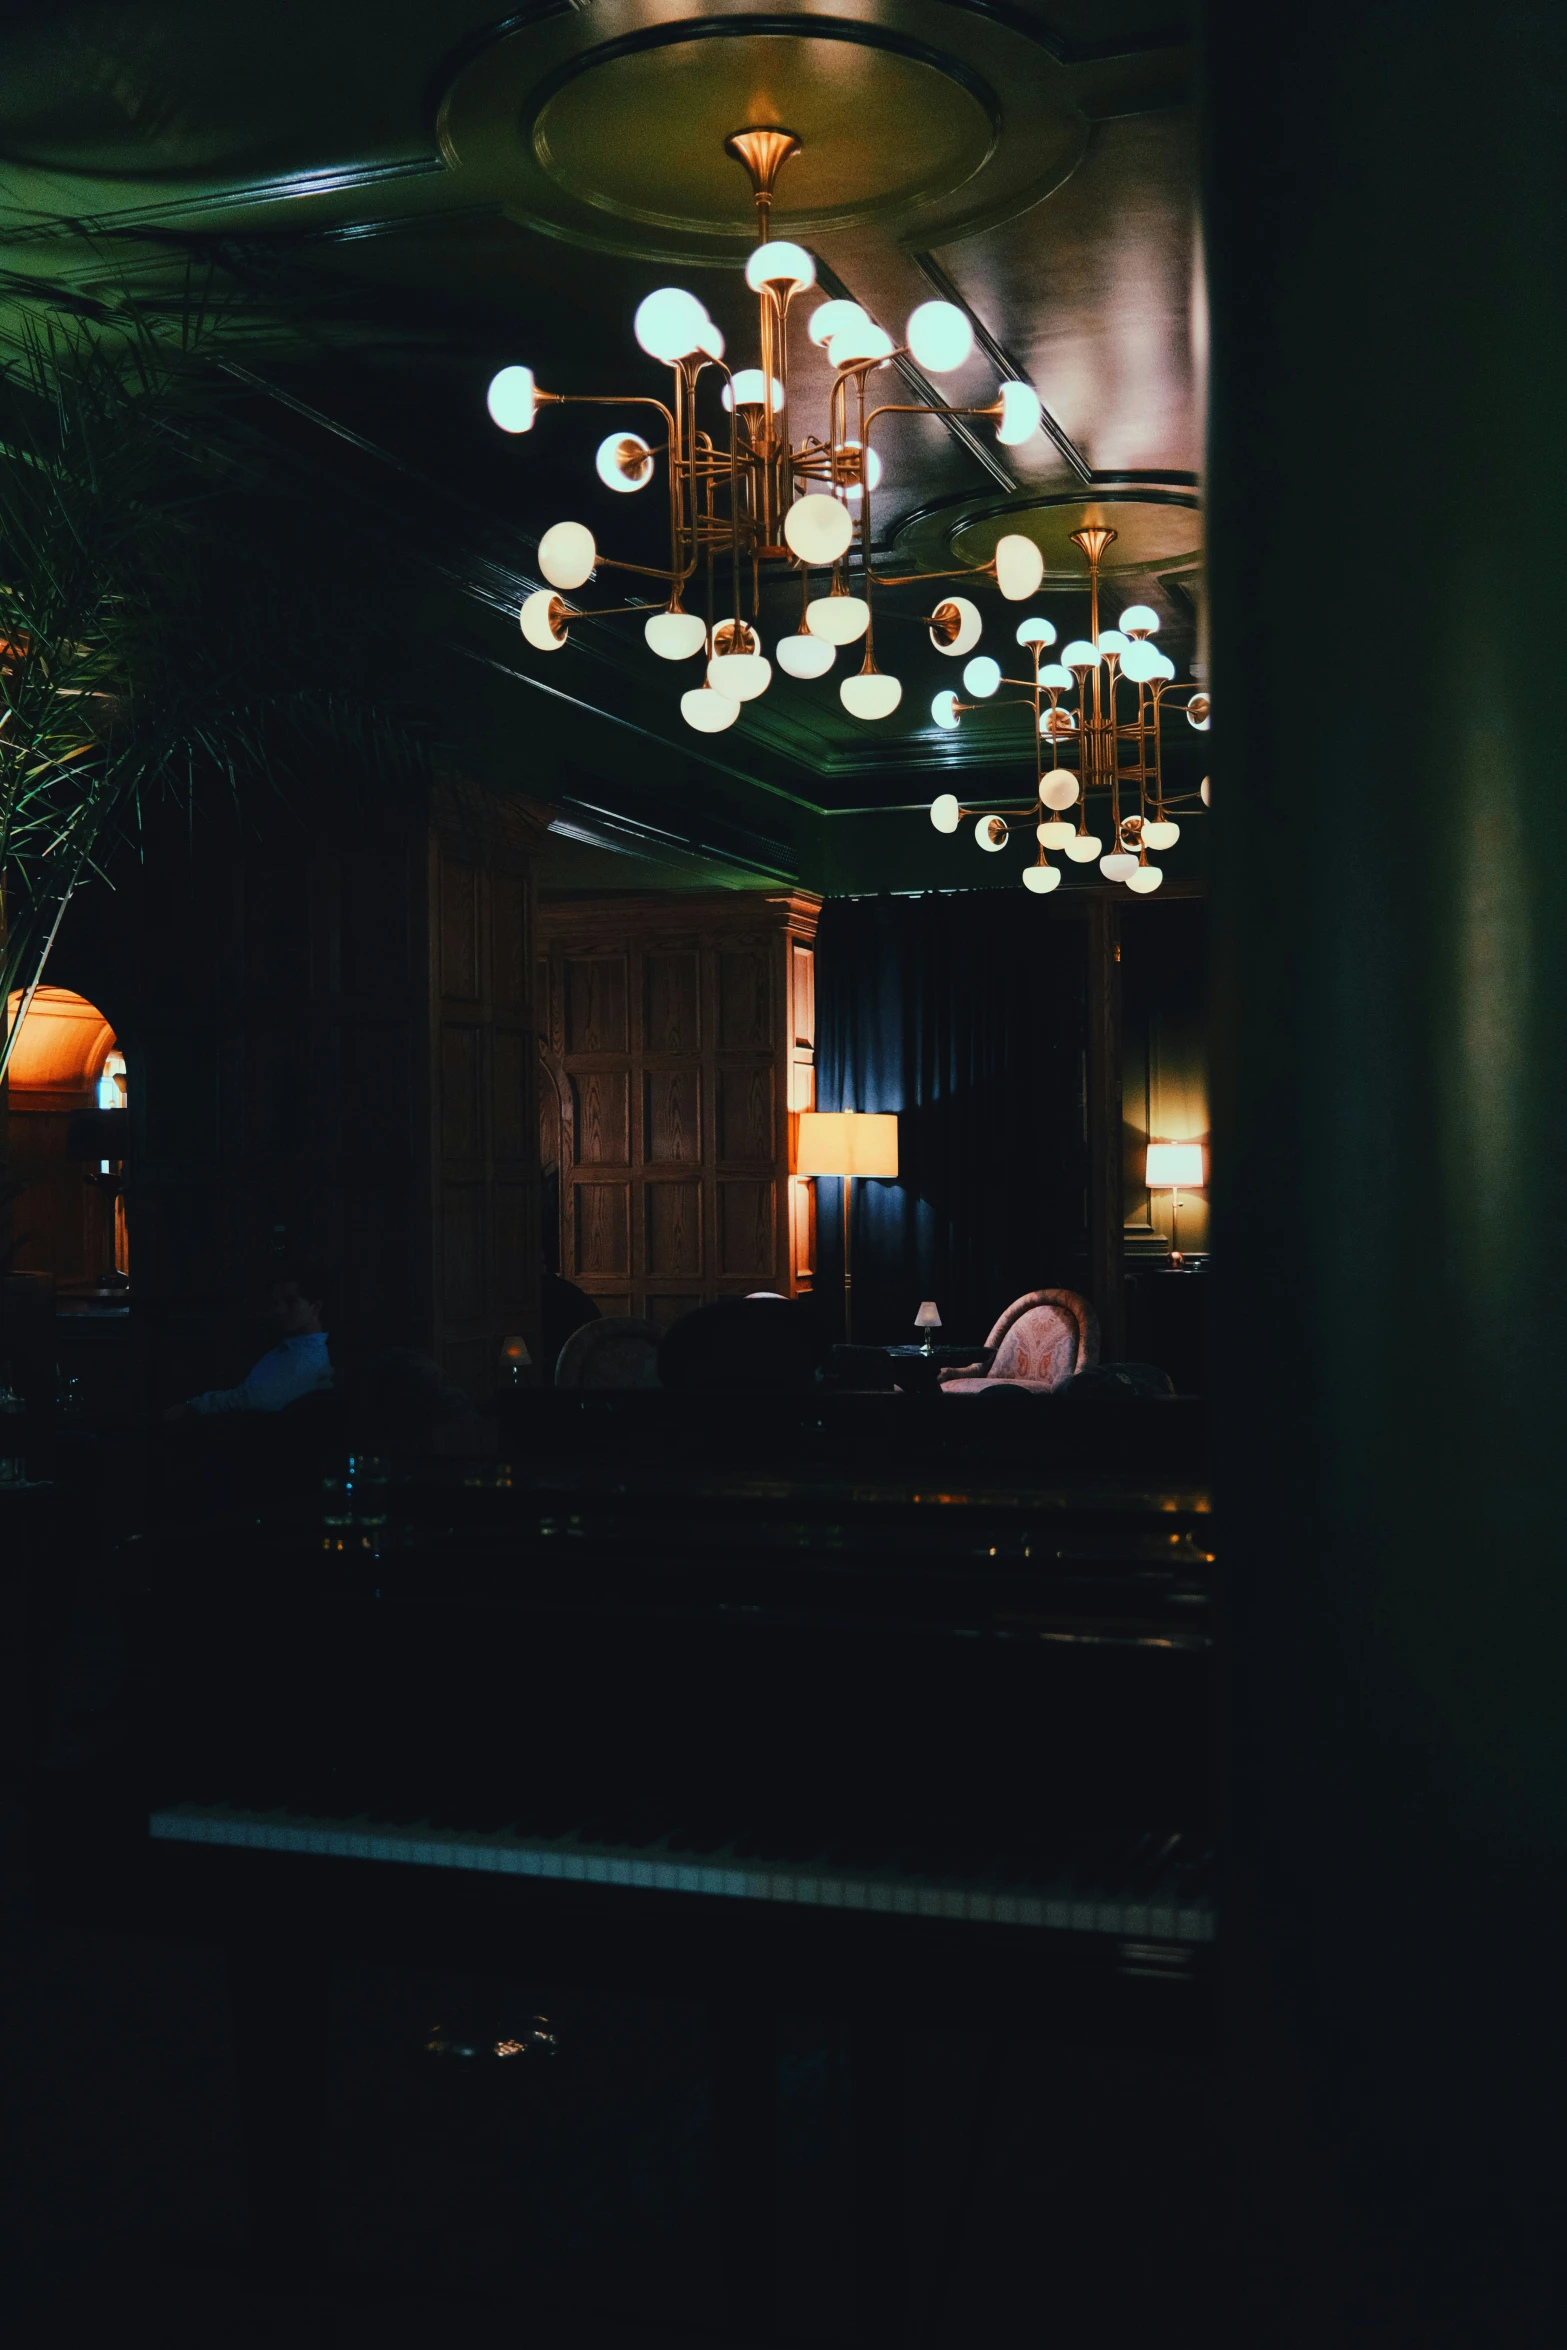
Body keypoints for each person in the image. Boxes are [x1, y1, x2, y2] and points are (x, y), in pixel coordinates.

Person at [163, 1265, 334, 1423]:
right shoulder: (289, 1348)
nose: (279, 1310)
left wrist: (190, 1407)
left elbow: (253, 1399)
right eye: (276, 1303)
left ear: (315, 1308)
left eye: (290, 1302)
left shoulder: (308, 1356)